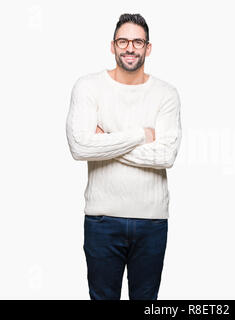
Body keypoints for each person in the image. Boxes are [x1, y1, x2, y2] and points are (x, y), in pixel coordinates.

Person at [65, 13, 182, 300]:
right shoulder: (88, 86)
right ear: (113, 45)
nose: (130, 48)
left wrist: (104, 141)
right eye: (123, 41)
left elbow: (166, 155)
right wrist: (142, 134)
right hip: (102, 220)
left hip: (151, 221)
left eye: (137, 42)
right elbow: (80, 146)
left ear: (148, 48)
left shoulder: (166, 94)